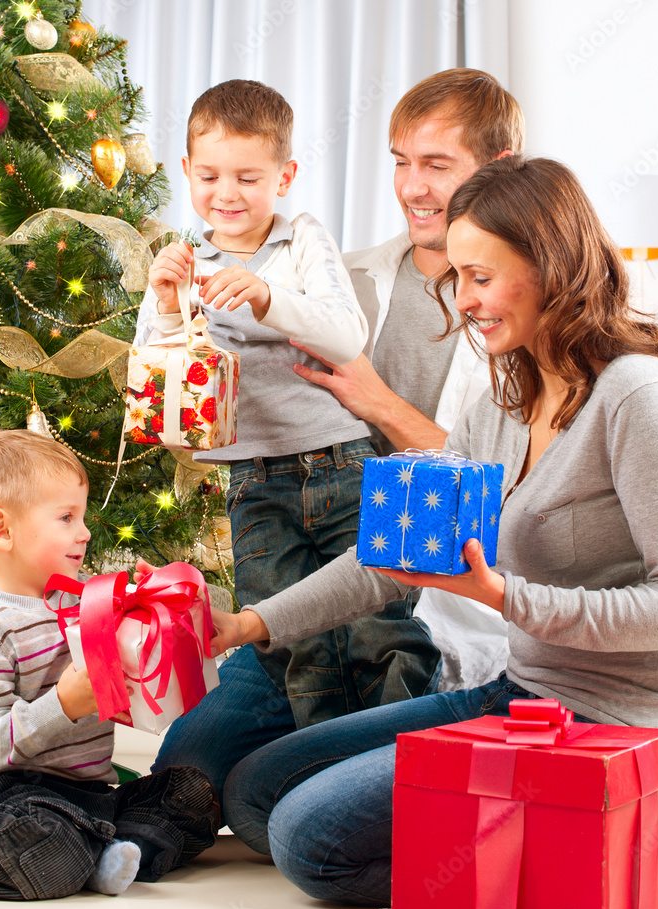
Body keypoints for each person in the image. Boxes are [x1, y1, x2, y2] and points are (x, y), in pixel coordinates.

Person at [214, 155, 658, 907]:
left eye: (482, 278)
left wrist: (505, 598)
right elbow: (393, 556)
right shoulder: (505, 398)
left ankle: (584, 853)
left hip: (617, 720)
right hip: (520, 694)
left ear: (554, 266)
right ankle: (540, 835)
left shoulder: (635, 397)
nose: (464, 301)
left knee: (307, 843)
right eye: (456, 278)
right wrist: (251, 622)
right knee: (257, 791)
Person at [147, 69, 523, 803]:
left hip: (428, 600)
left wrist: (379, 403)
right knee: (187, 776)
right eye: (400, 161)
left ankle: (354, 802)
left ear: (499, 169)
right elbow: (200, 373)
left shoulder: (518, 305)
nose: (412, 188)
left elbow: (508, 485)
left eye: (437, 165)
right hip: (304, 593)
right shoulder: (341, 274)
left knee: (290, 797)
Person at [135, 78, 435, 729]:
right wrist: (165, 308)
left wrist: (269, 298)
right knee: (295, 645)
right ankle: (324, 768)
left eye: (248, 177)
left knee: (379, 626)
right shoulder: (180, 263)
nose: (227, 194)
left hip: (344, 464)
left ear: (284, 175)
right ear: (186, 171)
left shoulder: (300, 241)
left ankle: (402, 760)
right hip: (255, 485)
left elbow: (345, 333)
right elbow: (162, 384)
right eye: (210, 176)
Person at [0, 431, 219, 900]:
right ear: (0, 530)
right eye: (66, 517)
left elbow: (139, 657)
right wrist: (62, 705)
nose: (84, 532)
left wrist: (154, 605)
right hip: (9, 795)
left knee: (191, 793)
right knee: (44, 841)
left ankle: (99, 852)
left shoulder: (84, 597)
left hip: (90, 792)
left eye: (81, 516)